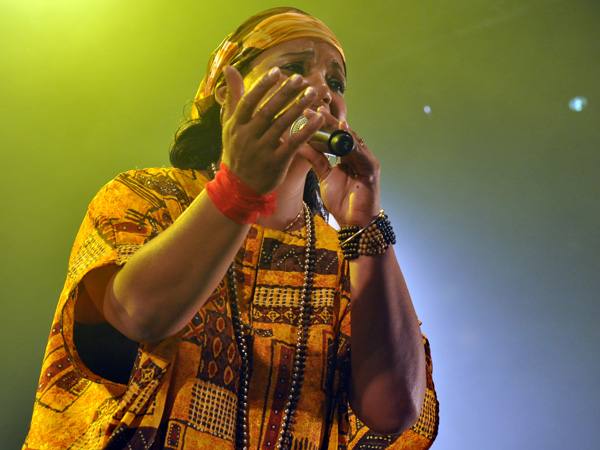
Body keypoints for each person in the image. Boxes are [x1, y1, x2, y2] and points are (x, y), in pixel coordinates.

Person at [23, 7, 438, 450]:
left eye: (335, 82)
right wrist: (239, 189)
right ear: (226, 90)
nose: (322, 91)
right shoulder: (148, 197)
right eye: (294, 68)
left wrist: (365, 228)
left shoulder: (347, 258)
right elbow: (138, 315)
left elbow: (392, 410)